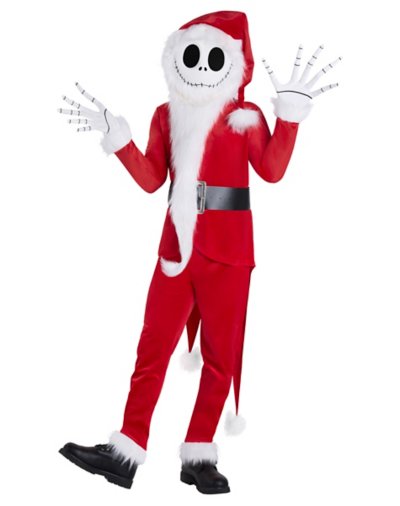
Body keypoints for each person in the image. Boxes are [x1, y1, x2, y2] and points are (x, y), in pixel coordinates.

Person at [58, 10, 341, 495]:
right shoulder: (165, 116)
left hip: (229, 253)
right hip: (176, 251)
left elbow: (272, 171)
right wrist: (120, 140)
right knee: (153, 347)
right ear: (176, 59)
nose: (203, 67)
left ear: (233, 65)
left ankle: (199, 454)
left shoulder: (245, 118)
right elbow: (152, 180)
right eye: (192, 56)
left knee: (220, 357)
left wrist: (289, 119)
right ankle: (126, 450)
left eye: (214, 58)